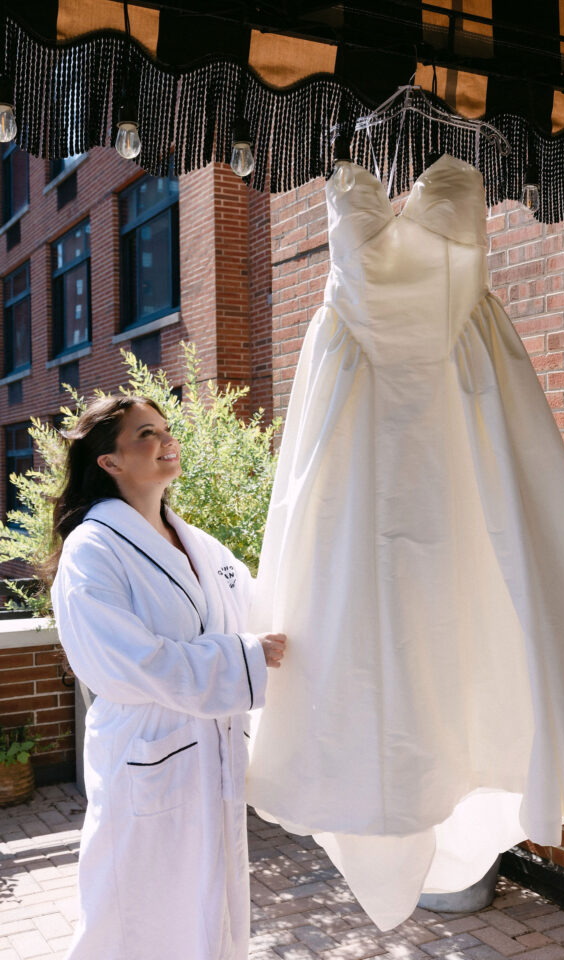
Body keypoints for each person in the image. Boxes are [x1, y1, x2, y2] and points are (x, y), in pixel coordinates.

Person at [49, 394, 286, 960]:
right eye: (146, 434)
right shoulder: (93, 549)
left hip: (212, 756)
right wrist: (245, 656)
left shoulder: (201, 545)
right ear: (110, 462)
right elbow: (130, 661)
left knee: (210, 912)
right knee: (133, 912)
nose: (166, 441)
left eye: (166, 429)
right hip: (145, 755)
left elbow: (259, 609)